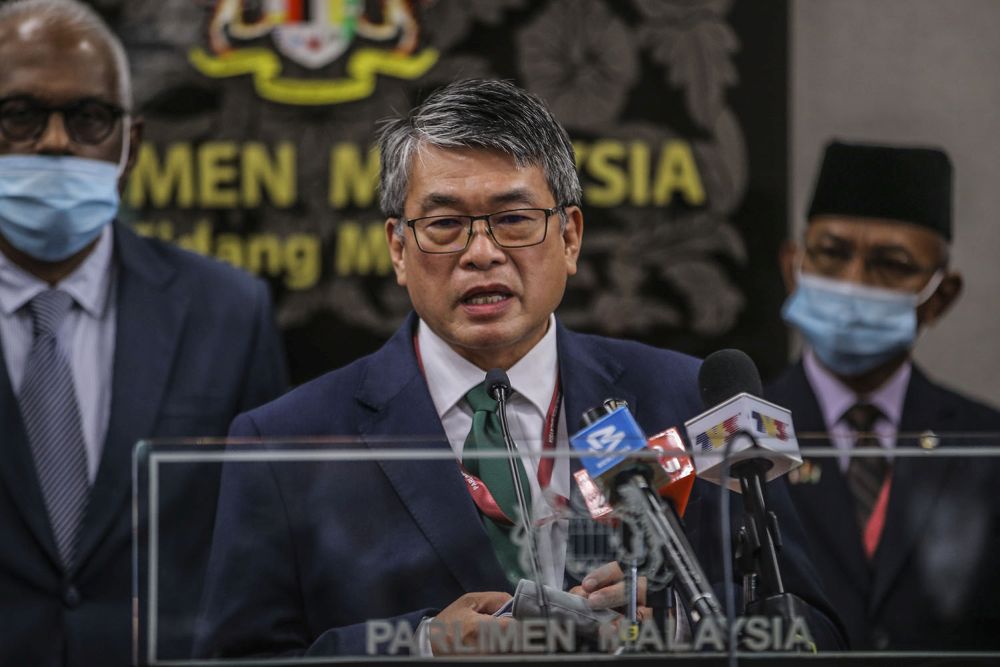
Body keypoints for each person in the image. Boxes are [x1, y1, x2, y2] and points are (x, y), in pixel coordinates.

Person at [194, 78, 843, 658]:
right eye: (445, 223)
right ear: (397, 247)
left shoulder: (683, 399)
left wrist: (681, 628)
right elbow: (237, 656)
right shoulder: (285, 442)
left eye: (513, 219)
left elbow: (813, 628)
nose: (482, 253)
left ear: (571, 237)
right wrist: (418, 644)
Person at [0, 1, 288, 665]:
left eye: (88, 118)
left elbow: (267, 544)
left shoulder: (228, 310)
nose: (53, 141)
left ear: (131, 147)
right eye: (19, 115)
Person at [768, 139, 1000, 650]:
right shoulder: (736, 434)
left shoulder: (986, 444)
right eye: (831, 254)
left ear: (940, 297)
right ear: (793, 267)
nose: (853, 282)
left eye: (890, 264)